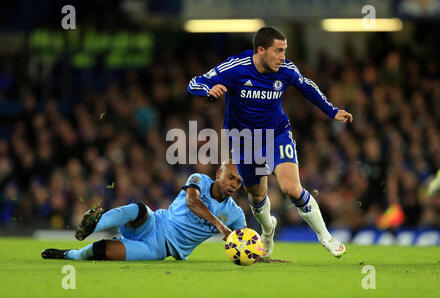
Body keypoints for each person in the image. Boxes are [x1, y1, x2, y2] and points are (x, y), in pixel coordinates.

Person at [187, 26, 353, 258]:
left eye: (284, 50)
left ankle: (326, 237)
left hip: (277, 134)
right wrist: (209, 89)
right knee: (256, 196)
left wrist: (331, 111)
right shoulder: (236, 67)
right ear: (261, 50)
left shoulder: (285, 70)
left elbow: (307, 87)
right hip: (245, 141)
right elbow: (195, 82)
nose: (283, 57)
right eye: (278, 51)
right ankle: (267, 230)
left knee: (291, 189)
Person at [41, 161, 246, 261]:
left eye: (239, 181)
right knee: (139, 209)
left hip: (159, 250)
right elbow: (192, 201)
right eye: (231, 177)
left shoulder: (235, 214)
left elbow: (245, 241)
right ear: (219, 173)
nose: (234, 184)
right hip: (156, 223)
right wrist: (220, 225)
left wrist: (257, 255)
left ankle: (71, 255)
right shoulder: (199, 179)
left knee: (103, 250)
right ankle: (95, 224)